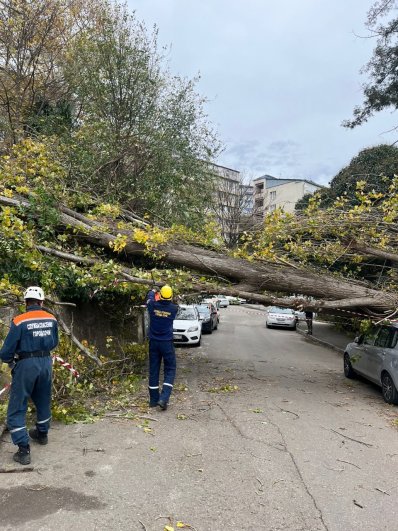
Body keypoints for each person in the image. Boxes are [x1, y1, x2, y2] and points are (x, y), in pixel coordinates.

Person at [0, 286, 58, 465]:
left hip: (26, 365)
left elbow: (5, 352)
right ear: (41, 302)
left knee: (17, 405)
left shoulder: (19, 320)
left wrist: (11, 362)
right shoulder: (51, 318)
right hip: (46, 363)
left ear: (26, 303)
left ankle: (23, 450)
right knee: (43, 399)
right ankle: (42, 433)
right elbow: (54, 342)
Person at [146, 285, 178, 410]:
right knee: (170, 369)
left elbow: (149, 298)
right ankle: (163, 399)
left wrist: (153, 291)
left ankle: (153, 400)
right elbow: (171, 303)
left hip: (153, 342)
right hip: (166, 343)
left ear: (160, 295)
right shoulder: (174, 309)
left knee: (154, 370)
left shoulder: (152, 305)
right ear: (171, 296)